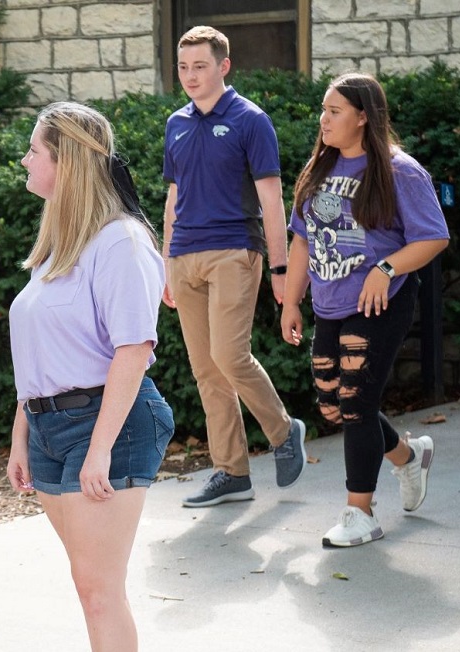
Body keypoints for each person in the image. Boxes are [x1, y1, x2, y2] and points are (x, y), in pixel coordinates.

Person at [5, 102, 175, 651]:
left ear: (67, 161)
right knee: (90, 587)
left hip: (109, 426)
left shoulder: (121, 242)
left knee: (99, 589)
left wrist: (99, 448)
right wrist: (22, 433)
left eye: (35, 150)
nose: (24, 159)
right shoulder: (62, 243)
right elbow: (41, 350)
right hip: (52, 429)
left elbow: (134, 348)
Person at [279, 72, 449, 547]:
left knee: (357, 403)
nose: (323, 119)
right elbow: (302, 239)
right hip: (330, 301)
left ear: (362, 117)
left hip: (380, 303)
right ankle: (408, 457)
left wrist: (387, 269)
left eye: (334, 111)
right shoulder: (320, 168)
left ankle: (360, 512)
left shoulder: (400, 171)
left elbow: (433, 235)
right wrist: (291, 300)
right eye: (324, 109)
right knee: (334, 403)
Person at [162, 26, 307, 507]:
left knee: (230, 356)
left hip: (233, 252)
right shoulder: (176, 123)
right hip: (185, 256)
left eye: (199, 66)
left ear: (224, 66)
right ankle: (232, 471)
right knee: (206, 370)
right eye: (183, 67)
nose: (190, 76)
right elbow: (173, 198)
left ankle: (284, 432)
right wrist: (166, 263)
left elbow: (271, 198)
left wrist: (281, 270)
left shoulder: (250, 120)